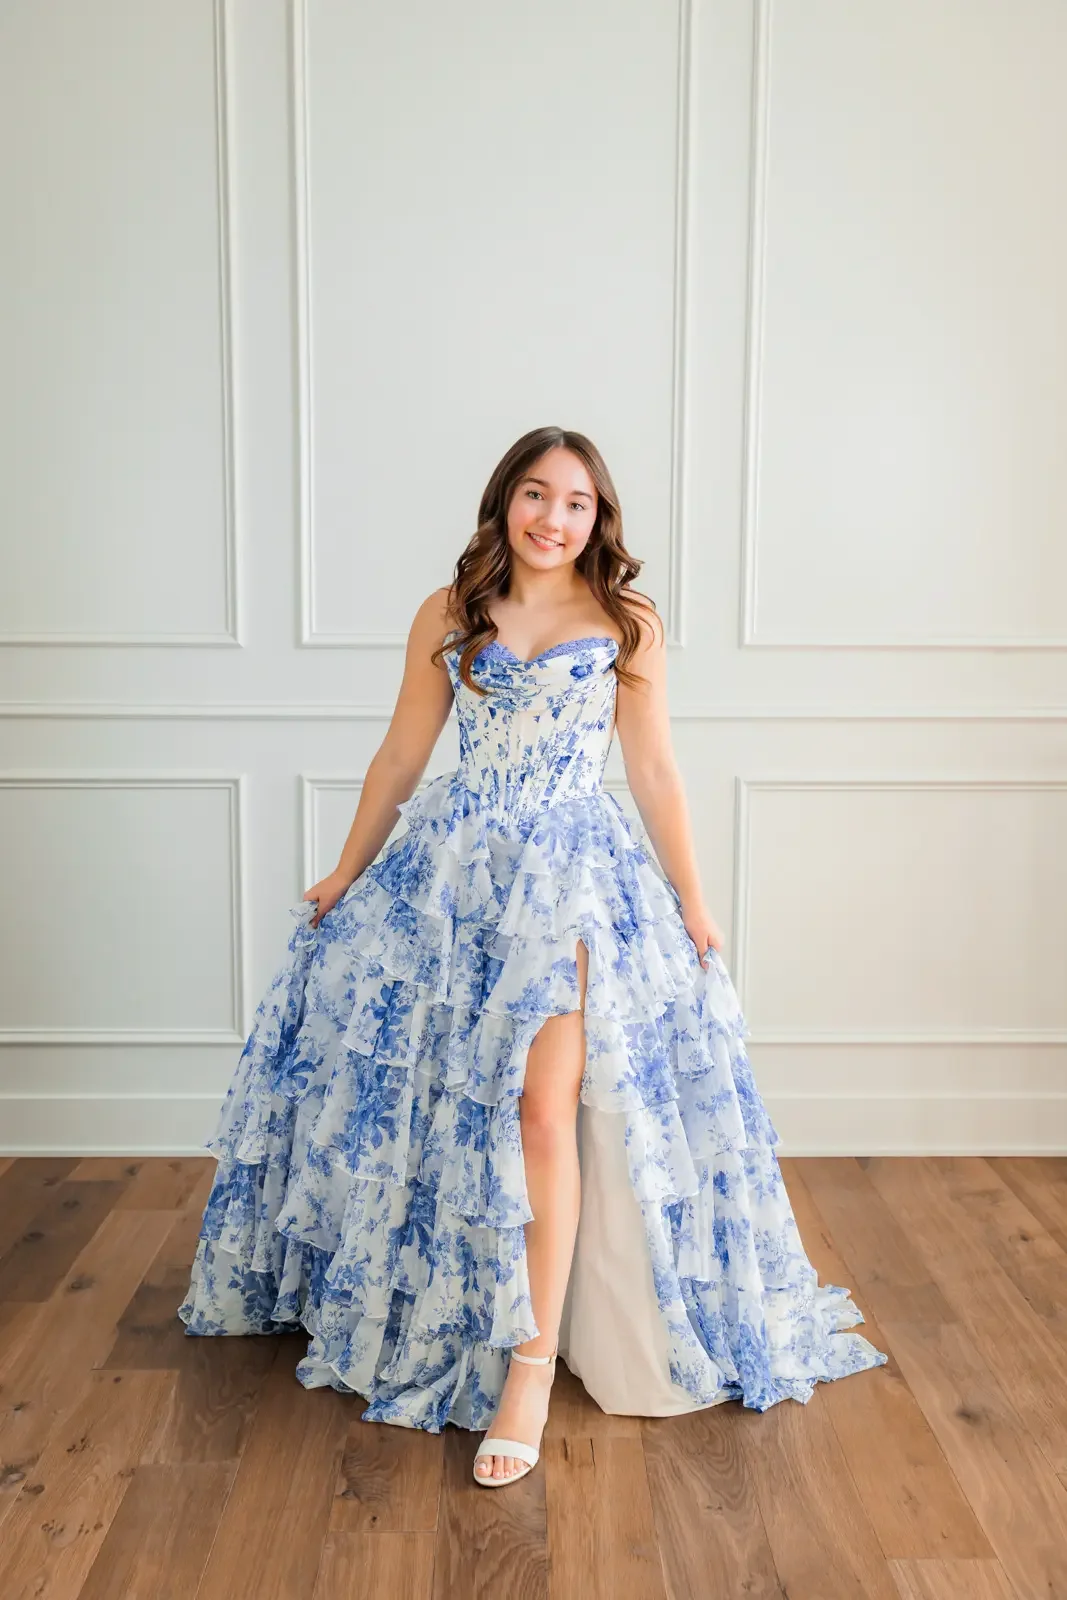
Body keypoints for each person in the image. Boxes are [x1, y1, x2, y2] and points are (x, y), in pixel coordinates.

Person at [179, 424, 887, 1487]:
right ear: (503, 499)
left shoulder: (623, 621)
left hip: (568, 878)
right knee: (440, 1100)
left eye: (577, 503)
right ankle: (436, 1307)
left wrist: (694, 900)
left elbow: (652, 771)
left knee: (540, 1109)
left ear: (599, 520)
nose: (552, 518)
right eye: (534, 494)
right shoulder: (451, 609)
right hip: (453, 874)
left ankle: (528, 1365)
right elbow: (401, 753)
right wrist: (343, 868)